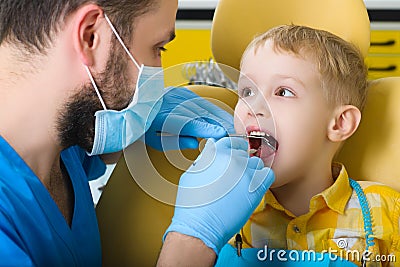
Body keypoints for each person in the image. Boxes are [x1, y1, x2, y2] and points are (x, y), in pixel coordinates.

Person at [0, 0, 273, 266]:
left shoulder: (59, 150)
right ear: (90, 36)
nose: (160, 73)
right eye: (158, 49)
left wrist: (131, 126)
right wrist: (192, 241)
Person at [213, 25, 400, 266]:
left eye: (283, 92)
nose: (254, 107)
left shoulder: (385, 212)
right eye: (247, 91)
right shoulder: (224, 212)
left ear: (339, 123)